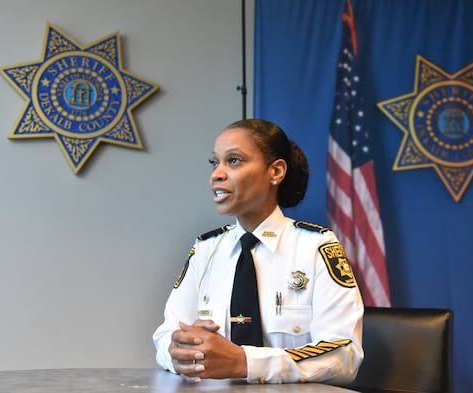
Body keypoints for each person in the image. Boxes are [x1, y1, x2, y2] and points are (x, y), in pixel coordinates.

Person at [152, 119, 364, 385]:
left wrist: (246, 363)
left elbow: (343, 354)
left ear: (276, 171)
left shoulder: (316, 247)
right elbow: (165, 336)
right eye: (214, 162)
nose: (216, 174)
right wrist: (177, 351)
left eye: (234, 161)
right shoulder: (205, 250)